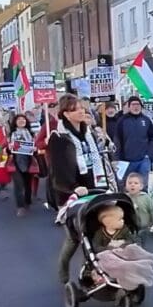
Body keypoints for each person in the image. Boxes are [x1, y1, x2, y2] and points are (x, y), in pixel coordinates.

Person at [49, 94, 110, 284]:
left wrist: (104, 141)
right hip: (73, 191)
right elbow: (59, 169)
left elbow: (100, 156)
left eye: (82, 108)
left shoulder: (88, 133)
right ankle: (63, 274)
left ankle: (91, 272)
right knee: (75, 237)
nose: (82, 111)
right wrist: (74, 188)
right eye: (76, 109)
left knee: (95, 232)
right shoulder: (59, 138)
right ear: (66, 114)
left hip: (94, 185)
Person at [91, 204, 153, 290]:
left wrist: (122, 244)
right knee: (106, 255)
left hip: (124, 253)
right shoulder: (99, 234)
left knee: (132, 248)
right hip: (108, 255)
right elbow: (96, 247)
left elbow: (131, 240)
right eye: (120, 219)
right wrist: (110, 247)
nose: (123, 221)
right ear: (108, 222)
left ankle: (146, 258)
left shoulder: (124, 229)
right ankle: (128, 266)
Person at [115, 96, 153, 178]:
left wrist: (149, 154)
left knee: (143, 184)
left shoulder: (146, 120)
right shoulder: (122, 121)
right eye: (133, 104)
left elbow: (152, 138)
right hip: (127, 160)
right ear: (129, 107)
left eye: (138, 104)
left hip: (144, 159)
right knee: (129, 184)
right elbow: (117, 140)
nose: (136, 107)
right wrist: (117, 157)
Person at [8, 113, 36, 218]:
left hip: (28, 160)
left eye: (23, 120)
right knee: (18, 184)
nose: (21, 121)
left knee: (28, 183)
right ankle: (20, 206)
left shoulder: (31, 133)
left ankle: (27, 201)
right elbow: (6, 148)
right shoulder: (12, 134)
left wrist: (35, 149)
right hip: (16, 161)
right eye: (19, 120)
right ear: (15, 122)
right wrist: (9, 147)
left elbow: (35, 145)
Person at [35, 102, 59, 210]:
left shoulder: (72, 123)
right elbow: (38, 143)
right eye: (51, 107)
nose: (55, 110)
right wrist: (46, 141)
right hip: (54, 159)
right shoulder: (49, 125)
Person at [124, 172, 153, 238]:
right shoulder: (124, 198)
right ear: (126, 186)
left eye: (136, 183)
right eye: (130, 183)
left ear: (141, 186)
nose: (132, 185)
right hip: (129, 230)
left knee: (144, 245)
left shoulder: (145, 197)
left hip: (145, 229)